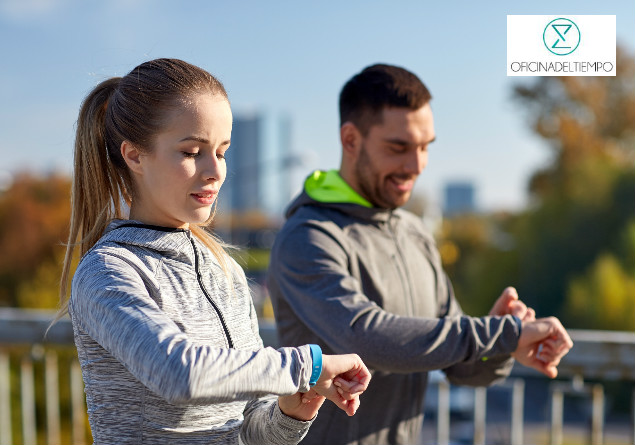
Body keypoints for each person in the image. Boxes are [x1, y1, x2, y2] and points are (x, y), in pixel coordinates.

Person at [57, 58, 371, 445]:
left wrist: (291, 411)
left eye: (222, 151)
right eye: (192, 152)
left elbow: (250, 431)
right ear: (134, 155)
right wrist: (308, 365)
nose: (216, 171)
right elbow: (179, 374)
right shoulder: (107, 271)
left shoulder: (224, 270)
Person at [267, 63, 573, 445]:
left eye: (425, 146)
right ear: (350, 140)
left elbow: (464, 370)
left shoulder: (414, 233)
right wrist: (499, 333)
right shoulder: (308, 236)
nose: (416, 165)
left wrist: (500, 347)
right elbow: (366, 338)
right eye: (399, 148)